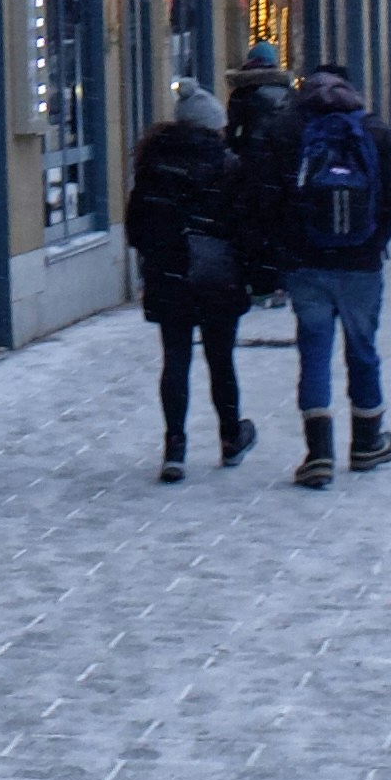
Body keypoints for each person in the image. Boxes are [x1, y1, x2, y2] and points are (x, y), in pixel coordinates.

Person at [243, 59, 391, 486]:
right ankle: (367, 442)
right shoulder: (373, 132)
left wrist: (285, 249)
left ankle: (318, 453)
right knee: (362, 350)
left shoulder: (286, 133)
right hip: (361, 265)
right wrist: (373, 241)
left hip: (307, 263)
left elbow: (265, 199)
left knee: (314, 352)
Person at [122, 84, 261, 483]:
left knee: (175, 359)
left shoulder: (154, 166)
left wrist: (162, 256)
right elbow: (244, 226)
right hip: (218, 276)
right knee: (221, 360)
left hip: (169, 274)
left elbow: (136, 227)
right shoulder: (228, 166)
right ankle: (231, 436)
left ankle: (175, 447)